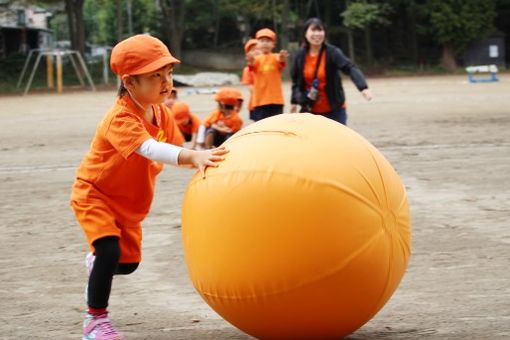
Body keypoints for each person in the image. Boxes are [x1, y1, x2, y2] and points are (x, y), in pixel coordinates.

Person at [70, 34, 227, 340]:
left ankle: (98, 264)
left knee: (127, 265)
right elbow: (151, 149)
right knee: (108, 250)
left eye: (168, 73)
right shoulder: (120, 117)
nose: (166, 82)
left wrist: (204, 161)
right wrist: (194, 155)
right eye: (155, 76)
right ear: (129, 83)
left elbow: (177, 152)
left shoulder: (161, 112)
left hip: (129, 203)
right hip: (95, 194)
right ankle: (94, 321)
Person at [290, 18, 373, 125]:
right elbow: (296, 81)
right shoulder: (300, 56)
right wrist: (294, 102)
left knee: (337, 140)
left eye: (320, 30)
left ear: (324, 33)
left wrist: (363, 87)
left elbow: (350, 67)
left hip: (334, 108)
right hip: (310, 109)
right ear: (305, 34)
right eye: (313, 30)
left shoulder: (332, 52)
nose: (317, 34)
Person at [247, 28, 288, 121]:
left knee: (276, 126)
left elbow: (281, 62)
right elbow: (251, 66)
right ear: (257, 43)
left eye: (268, 41)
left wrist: (282, 58)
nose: (265, 43)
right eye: (262, 41)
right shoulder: (256, 59)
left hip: (276, 100)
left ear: (273, 44)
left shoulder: (276, 57)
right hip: (260, 101)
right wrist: (250, 60)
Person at [241, 38, 259, 120]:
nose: (256, 51)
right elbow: (251, 88)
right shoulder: (247, 69)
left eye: (258, 49)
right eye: (252, 50)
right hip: (255, 103)